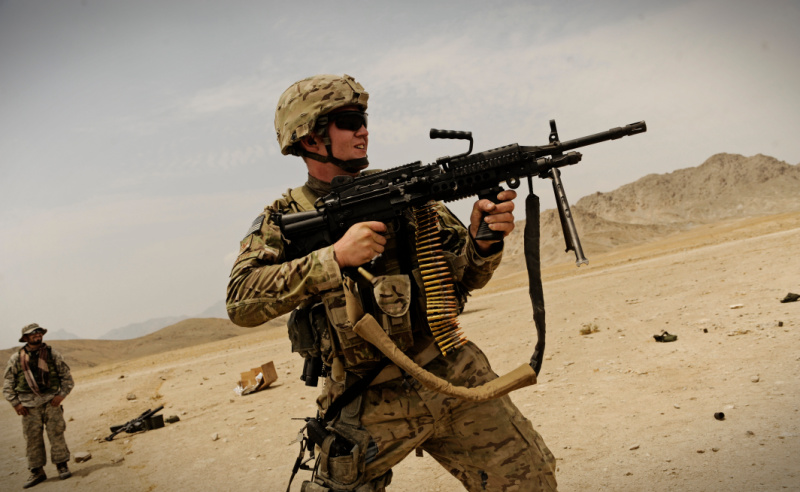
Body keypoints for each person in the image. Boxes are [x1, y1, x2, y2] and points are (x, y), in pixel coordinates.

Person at [226, 74, 557, 491]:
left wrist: (483, 242)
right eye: (348, 120)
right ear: (309, 138)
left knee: (533, 484)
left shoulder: (405, 191)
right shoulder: (285, 217)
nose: (363, 129)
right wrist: (334, 258)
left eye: (363, 118)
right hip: (365, 398)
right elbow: (240, 301)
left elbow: (467, 277)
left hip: (450, 370)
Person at [3, 323, 74, 489]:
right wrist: (16, 403)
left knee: (56, 433)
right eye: (32, 334)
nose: (37, 335)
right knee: (32, 439)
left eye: (39, 332)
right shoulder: (16, 359)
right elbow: (8, 384)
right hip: (28, 407)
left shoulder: (52, 354)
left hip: (51, 403)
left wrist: (61, 395)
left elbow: (67, 377)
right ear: (26, 338)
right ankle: (37, 471)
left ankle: (62, 465)